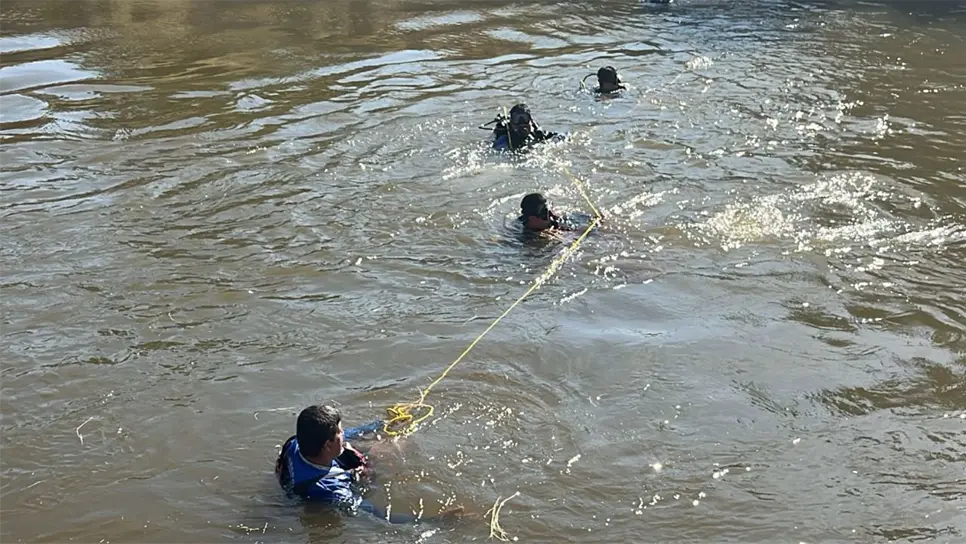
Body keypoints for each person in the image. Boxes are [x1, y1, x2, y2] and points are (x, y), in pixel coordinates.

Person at [275, 404, 462, 524]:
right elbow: (378, 516)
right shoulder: (332, 491)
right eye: (340, 432)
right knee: (391, 447)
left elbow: (351, 434)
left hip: (312, 467)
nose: (344, 433)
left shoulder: (297, 443)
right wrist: (434, 520)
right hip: (321, 483)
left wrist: (382, 424)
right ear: (328, 444)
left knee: (381, 442)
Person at [488, 103, 561, 152]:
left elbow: (561, 136)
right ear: (511, 122)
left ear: (530, 121)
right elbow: (489, 147)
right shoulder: (504, 138)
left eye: (525, 118)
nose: (521, 124)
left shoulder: (537, 133)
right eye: (517, 119)